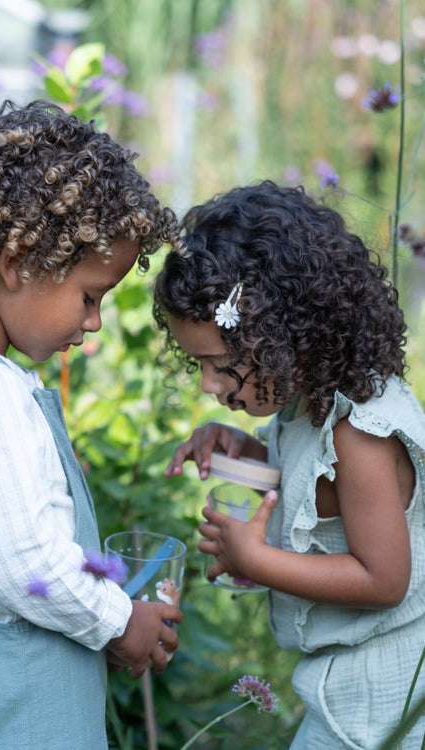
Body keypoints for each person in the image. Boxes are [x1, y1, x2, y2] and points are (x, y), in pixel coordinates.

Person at [0, 99, 181, 749]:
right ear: (18, 262)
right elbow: (24, 564)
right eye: (89, 295)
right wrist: (118, 618)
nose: (95, 320)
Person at [153, 180, 425, 749]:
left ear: (286, 336)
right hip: (342, 691)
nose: (208, 386)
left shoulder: (359, 431)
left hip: (380, 711)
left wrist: (257, 558)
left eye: (221, 366)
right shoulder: (310, 399)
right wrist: (246, 454)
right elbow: (311, 491)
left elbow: (384, 580)